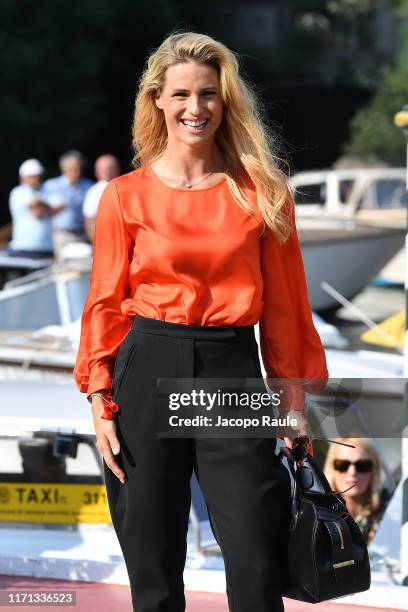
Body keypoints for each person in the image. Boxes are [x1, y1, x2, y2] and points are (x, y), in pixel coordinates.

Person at [73, 32, 328, 612]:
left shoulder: (262, 193)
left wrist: (292, 403)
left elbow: (288, 306)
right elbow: (106, 303)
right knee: (152, 561)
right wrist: (99, 401)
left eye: (209, 94)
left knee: (256, 554)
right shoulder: (123, 197)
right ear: (157, 100)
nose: (196, 108)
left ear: (226, 100)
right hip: (146, 365)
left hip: (231, 372)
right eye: (182, 94)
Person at [323, 437, 390, 545]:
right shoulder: (318, 518)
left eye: (362, 466)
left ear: (374, 471)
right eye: (342, 465)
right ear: (332, 470)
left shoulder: (392, 512)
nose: (352, 472)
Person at [43, 150, 93, 260]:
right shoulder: (52, 186)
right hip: (62, 235)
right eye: (72, 169)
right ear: (63, 169)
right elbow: (45, 211)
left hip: (82, 235)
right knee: (62, 271)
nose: (76, 172)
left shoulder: (88, 186)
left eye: (78, 168)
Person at [7, 159, 55, 259]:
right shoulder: (18, 192)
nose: (36, 179)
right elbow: (38, 210)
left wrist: (45, 206)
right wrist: (48, 207)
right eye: (33, 176)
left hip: (47, 249)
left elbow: (61, 207)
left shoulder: (48, 190)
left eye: (38, 176)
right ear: (24, 177)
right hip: (23, 249)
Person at [82, 154, 121, 243]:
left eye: (110, 168)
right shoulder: (93, 192)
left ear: (117, 168)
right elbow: (89, 220)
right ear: (97, 171)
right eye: (104, 169)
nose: (107, 172)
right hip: (103, 240)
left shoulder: (127, 187)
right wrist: (98, 241)